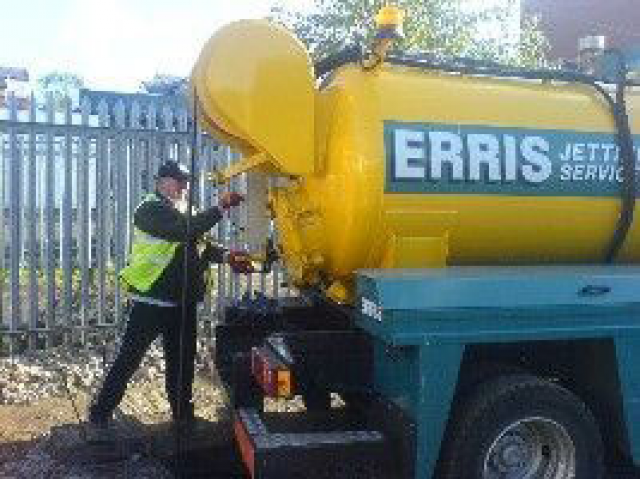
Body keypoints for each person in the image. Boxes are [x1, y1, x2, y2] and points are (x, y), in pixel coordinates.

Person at [87, 160, 251, 437]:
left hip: (183, 302)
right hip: (152, 301)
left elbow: (201, 245)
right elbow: (183, 231)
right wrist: (220, 208)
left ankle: (183, 417)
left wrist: (227, 256)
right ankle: (100, 414)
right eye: (179, 181)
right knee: (129, 359)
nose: (184, 186)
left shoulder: (186, 209)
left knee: (182, 363)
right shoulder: (149, 210)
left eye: (186, 181)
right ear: (162, 181)